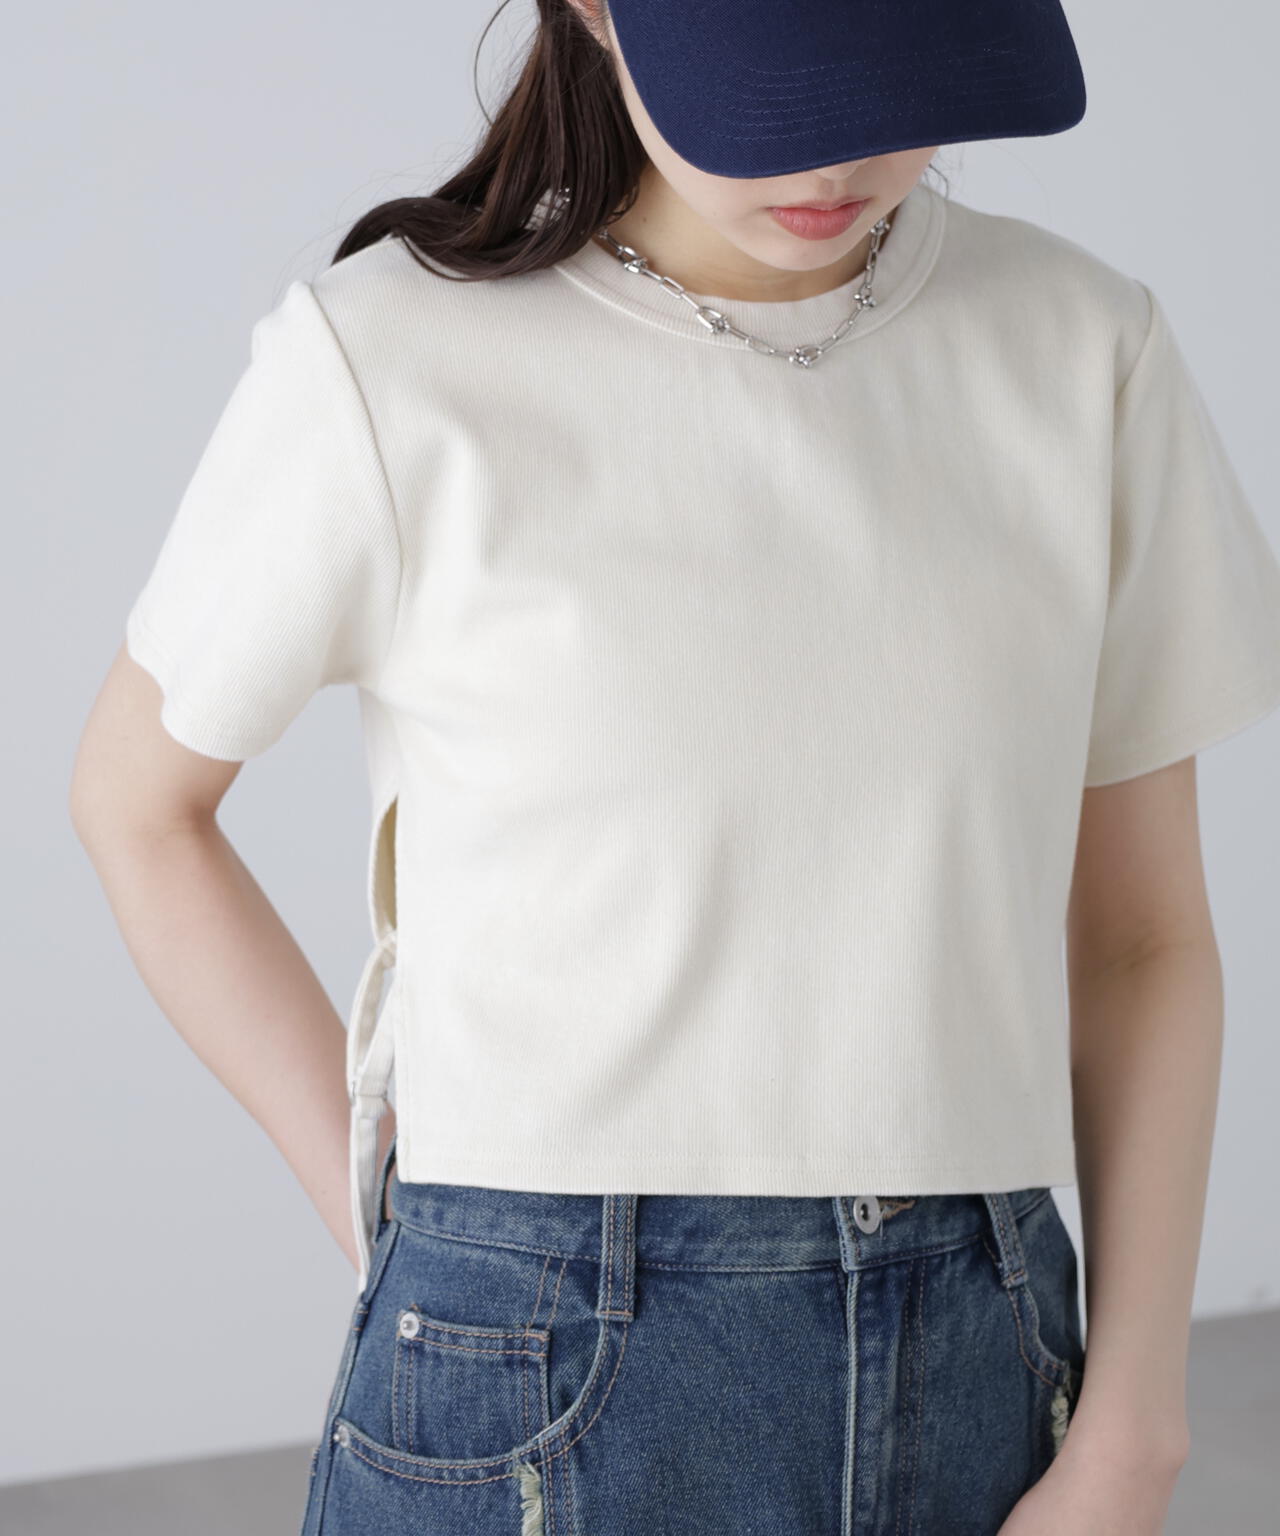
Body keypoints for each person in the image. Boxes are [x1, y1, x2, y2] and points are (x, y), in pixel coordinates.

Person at [69, 2, 1280, 1533]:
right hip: (536, 1365)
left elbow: (1143, 936)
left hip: (980, 1352)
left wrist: (1134, 1434)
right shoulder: (390, 358)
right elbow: (139, 805)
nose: (839, 160)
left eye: (897, 77)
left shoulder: (1083, 349)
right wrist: (401, 1228)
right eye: (779, 91)